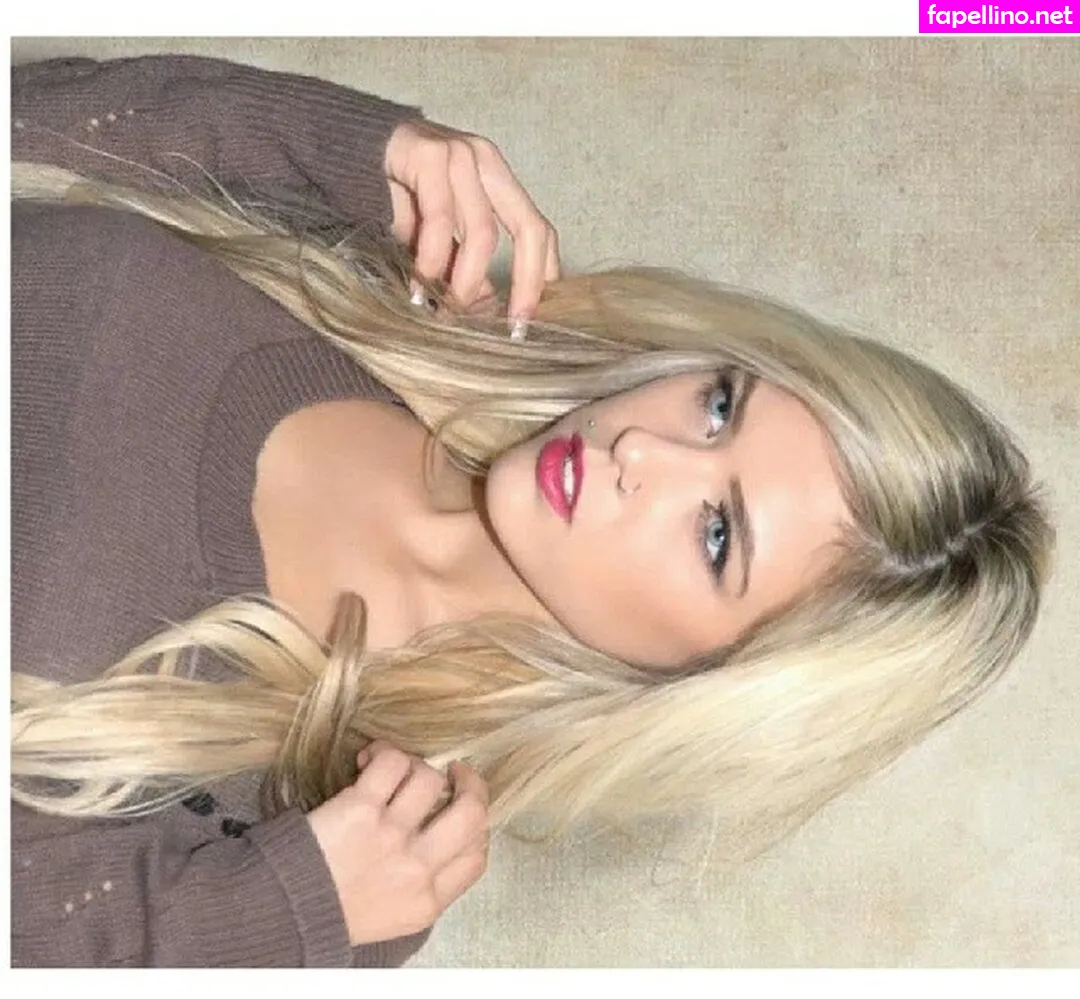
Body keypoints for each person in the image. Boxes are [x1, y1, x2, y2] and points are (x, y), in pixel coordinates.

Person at [10, 54, 1054, 968]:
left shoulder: (351, 837)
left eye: (717, 535)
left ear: (710, 682)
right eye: (719, 405)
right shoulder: (357, 278)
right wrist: (331, 142)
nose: (642, 452)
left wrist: (269, 918)